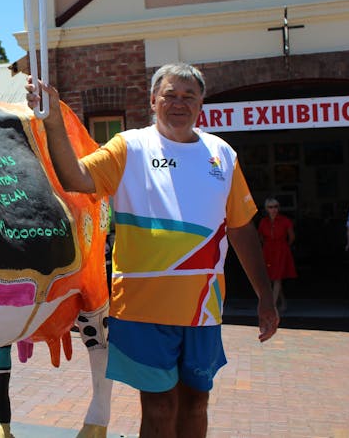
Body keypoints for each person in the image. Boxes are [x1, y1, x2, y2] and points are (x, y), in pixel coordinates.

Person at [26, 62, 278, 438]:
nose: (179, 103)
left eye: (188, 96)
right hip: (144, 306)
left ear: (201, 104)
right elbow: (74, 176)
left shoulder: (221, 154)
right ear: (153, 100)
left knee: (196, 402)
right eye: (170, 95)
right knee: (159, 405)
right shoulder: (130, 146)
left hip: (203, 306)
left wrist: (264, 297)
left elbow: (241, 229)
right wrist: (51, 121)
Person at [257, 197, 296, 313]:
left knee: (278, 278)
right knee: (271, 278)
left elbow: (292, 237)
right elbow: (260, 237)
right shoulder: (263, 222)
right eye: (270, 207)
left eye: (275, 207)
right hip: (268, 250)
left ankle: (272, 307)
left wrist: (284, 246)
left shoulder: (285, 221)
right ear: (266, 209)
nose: (273, 209)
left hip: (281, 250)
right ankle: (283, 302)